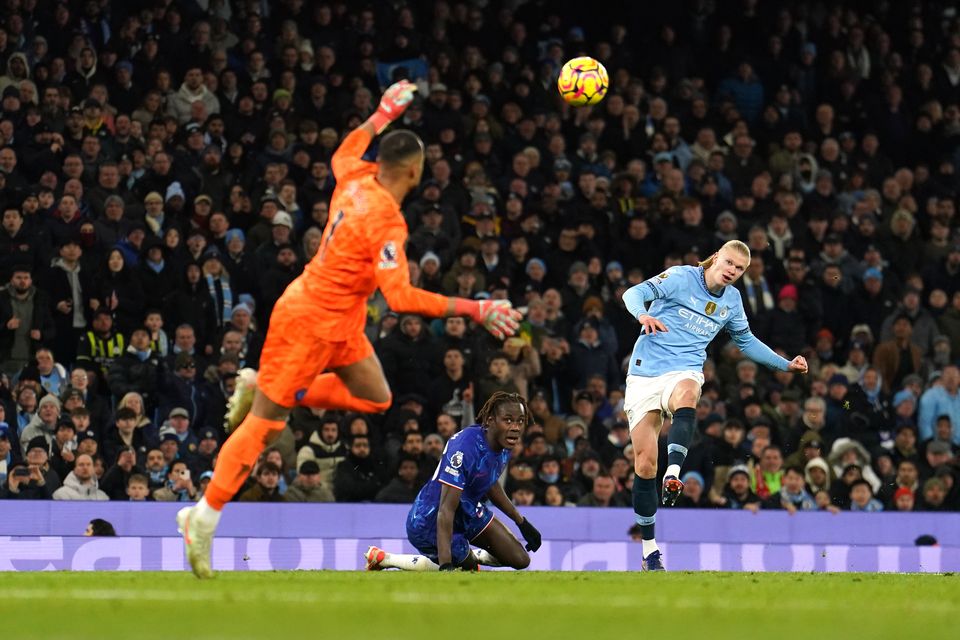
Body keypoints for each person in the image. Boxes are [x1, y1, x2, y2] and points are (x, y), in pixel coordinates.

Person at [176, 81, 522, 579]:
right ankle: (202, 518)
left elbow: (345, 148)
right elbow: (400, 298)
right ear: (415, 172)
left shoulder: (354, 176)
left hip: (342, 327)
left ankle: (265, 387)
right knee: (264, 428)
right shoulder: (387, 222)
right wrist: (476, 308)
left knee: (376, 396)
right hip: (306, 323)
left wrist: (382, 111)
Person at [620, 240, 808, 571]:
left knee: (688, 394)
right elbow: (631, 294)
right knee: (646, 464)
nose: (732, 271)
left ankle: (675, 472)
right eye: (729, 263)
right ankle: (649, 549)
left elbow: (746, 341)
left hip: (685, 369)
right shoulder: (681, 277)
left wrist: (785, 365)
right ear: (716, 258)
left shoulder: (732, 301)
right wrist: (644, 314)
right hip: (644, 373)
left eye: (740, 269)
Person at [364, 392, 541, 571]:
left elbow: (488, 480)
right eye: (508, 420)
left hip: (467, 511)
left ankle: (469, 556)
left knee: (520, 560)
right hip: (430, 520)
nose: (516, 427)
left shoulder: (504, 443)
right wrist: (446, 565)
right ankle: (386, 559)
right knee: (468, 568)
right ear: (489, 421)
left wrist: (522, 522)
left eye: (520, 421)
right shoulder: (463, 448)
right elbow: (445, 510)